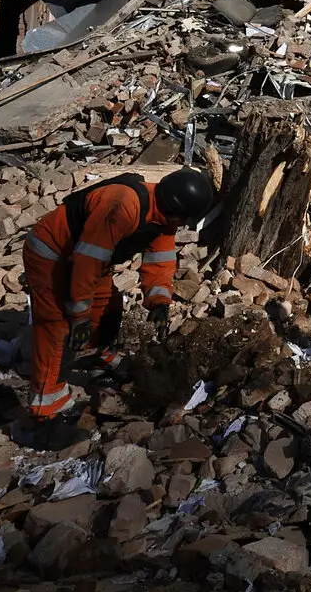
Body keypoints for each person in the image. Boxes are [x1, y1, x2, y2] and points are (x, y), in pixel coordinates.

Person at [18, 167, 216, 444]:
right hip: (52, 254)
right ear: (177, 210)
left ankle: (92, 355)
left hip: (90, 259)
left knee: (107, 307)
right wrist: (79, 316)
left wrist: (159, 301)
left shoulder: (162, 218)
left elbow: (159, 262)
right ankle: (46, 409)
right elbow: (85, 263)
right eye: (182, 220)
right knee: (56, 328)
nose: (181, 225)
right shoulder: (122, 205)